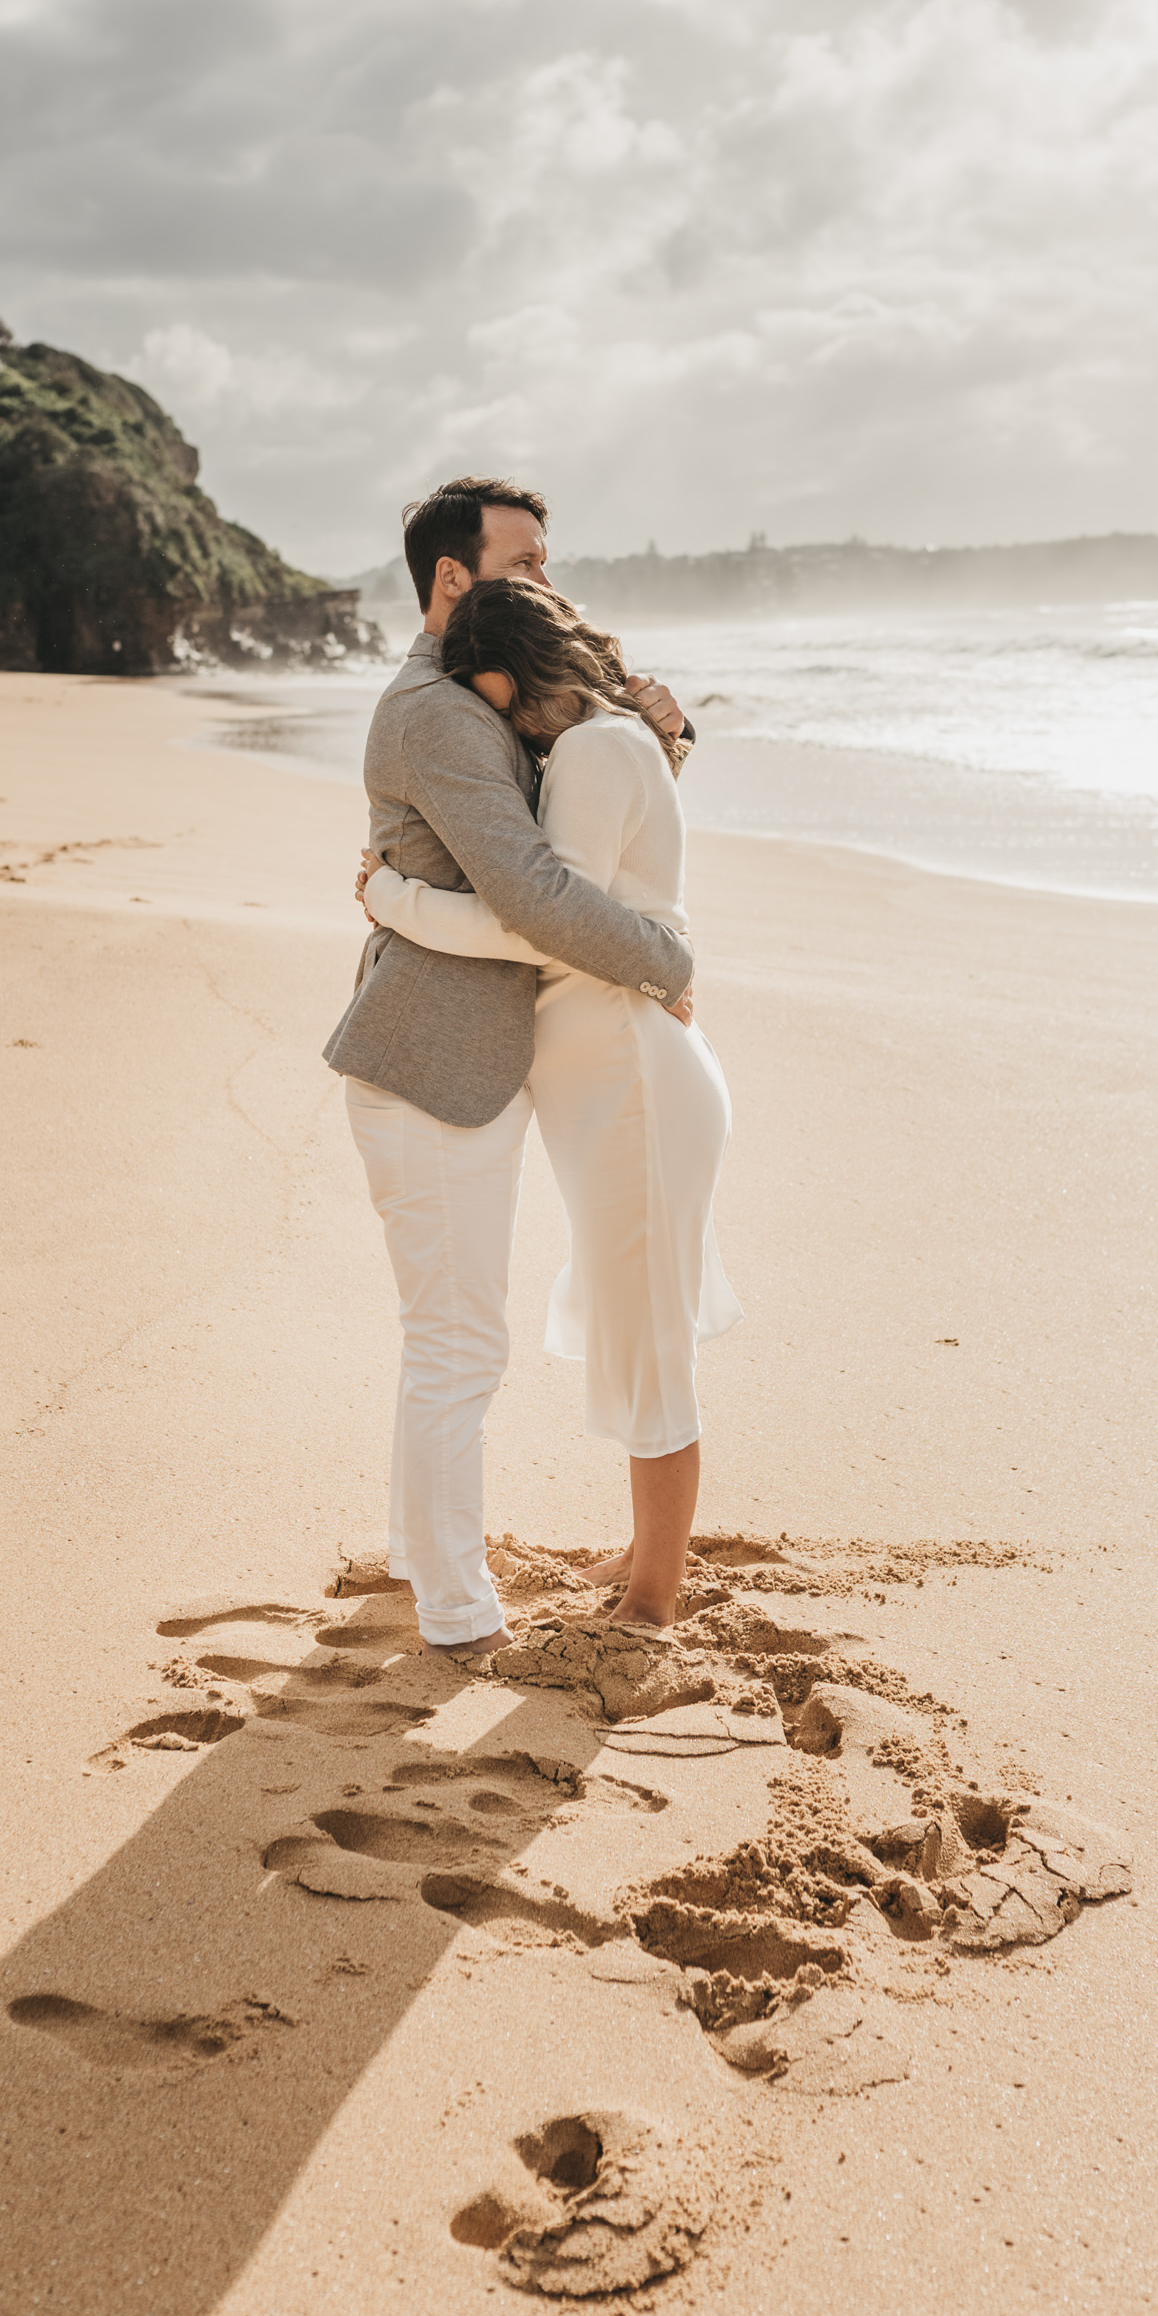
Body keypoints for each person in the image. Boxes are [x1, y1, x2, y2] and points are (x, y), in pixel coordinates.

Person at [323, 478, 698, 1662]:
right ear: (453, 576)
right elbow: (536, 896)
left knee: (443, 1333)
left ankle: (414, 1554)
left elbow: (594, 825)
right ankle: (456, 1609)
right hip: (431, 1066)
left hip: (458, 1063)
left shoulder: (484, 692)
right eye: (525, 561)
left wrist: (662, 737)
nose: (548, 579)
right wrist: (661, 956)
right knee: (459, 1345)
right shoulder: (436, 714)